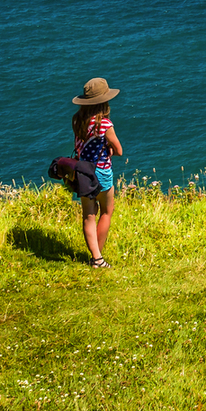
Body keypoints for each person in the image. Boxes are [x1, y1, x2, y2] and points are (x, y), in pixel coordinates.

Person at [72, 77, 123, 268]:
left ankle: (96, 257)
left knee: (88, 215)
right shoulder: (105, 124)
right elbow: (119, 150)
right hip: (101, 172)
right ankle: (97, 258)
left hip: (83, 173)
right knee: (106, 212)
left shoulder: (77, 120)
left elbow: (81, 147)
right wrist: (109, 149)